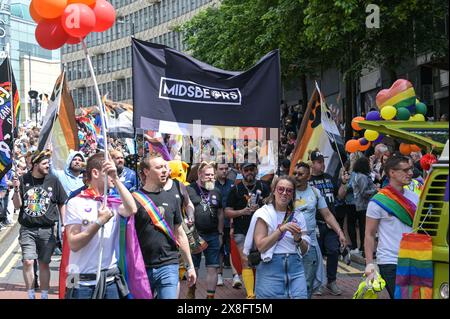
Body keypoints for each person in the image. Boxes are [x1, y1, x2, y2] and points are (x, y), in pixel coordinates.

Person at [64, 152, 137, 299]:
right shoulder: (75, 202)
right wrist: (98, 223)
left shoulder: (113, 202)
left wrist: (116, 178)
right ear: (95, 173)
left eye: (114, 172)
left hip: (110, 281)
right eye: (109, 172)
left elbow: (132, 209)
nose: (113, 175)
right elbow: (74, 244)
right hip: (81, 283)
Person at [133, 153, 196, 299]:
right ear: (146, 171)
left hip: (168, 264)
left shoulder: (172, 198)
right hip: (141, 267)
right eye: (159, 167)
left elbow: (179, 233)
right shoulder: (134, 199)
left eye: (165, 167)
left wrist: (190, 266)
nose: (165, 171)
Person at [12, 150, 68, 299]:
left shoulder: (53, 180)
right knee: (28, 261)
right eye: (44, 164)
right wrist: (17, 188)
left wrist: (64, 224)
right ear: (35, 165)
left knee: (44, 264)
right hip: (27, 229)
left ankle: (43, 295)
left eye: (48, 163)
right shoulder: (24, 180)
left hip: (47, 230)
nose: (47, 166)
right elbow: (17, 206)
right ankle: (31, 294)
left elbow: (62, 202)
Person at [244, 176, 310, 299]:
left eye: (289, 190)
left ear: (292, 195)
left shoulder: (298, 215)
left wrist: (298, 239)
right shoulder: (264, 214)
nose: (284, 193)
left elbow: (305, 251)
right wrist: (281, 229)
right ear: (274, 191)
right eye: (281, 189)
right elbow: (261, 246)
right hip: (270, 270)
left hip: (296, 269)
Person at [364, 155, 419, 298]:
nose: (410, 173)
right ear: (392, 173)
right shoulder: (378, 202)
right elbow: (369, 234)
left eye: (410, 169)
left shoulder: (416, 197)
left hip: (414, 259)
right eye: (405, 170)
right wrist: (370, 264)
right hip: (390, 261)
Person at [294, 162, 346, 298]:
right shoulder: (287, 191)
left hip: (310, 242)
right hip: (289, 243)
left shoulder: (315, 193)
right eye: (295, 173)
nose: (296, 177)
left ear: (308, 176)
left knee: (308, 283)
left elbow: (327, 215)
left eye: (300, 174)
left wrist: (339, 232)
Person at [225, 162, 270, 299]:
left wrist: (262, 207)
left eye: (252, 169)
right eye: (246, 170)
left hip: (261, 230)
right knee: (245, 260)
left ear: (256, 170)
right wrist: (242, 211)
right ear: (241, 171)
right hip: (241, 231)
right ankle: (250, 294)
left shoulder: (263, 186)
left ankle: (261, 289)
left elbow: (272, 204)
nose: (249, 172)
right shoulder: (236, 189)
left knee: (262, 260)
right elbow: (227, 212)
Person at [186, 162, 224, 299]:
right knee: (193, 267)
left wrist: (220, 233)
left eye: (212, 175)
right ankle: (191, 291)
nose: (210, 177)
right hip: (195, 234)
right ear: (199, 175)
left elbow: (220, 213)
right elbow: (183, 209)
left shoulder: (217, 191)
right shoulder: (189, 190)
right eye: (207, 175)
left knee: (212, 267)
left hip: (213, 234)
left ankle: (210, 297)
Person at [308, 150, 344, 296]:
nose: (322, 164)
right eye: (319, 162)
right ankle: (318, 282)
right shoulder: (308, 181)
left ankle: (331, 281)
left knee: (333, 250)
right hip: (315, 224)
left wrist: (345, 183)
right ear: (312, 164)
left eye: (323, 161)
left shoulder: (329, 178)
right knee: (317, 255)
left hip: (331, 223)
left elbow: (339, 195)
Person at [215, 162, 242, 289]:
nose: (224, 171)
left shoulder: (232, 184)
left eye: (226, 169)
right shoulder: (211, 185)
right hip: (216, 223)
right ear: (216, 170)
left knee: (232, 249)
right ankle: (219, 275)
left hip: (231, 222)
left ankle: (235, 276)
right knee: (219, 249)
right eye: (221, 169)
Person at [350, 157, 378, 256]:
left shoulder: (357, 175)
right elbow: (364, 192)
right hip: (363, 205)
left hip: (360, 205)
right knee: (365, 228)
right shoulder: (362, 177)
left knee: (363, 228)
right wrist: (375, 190)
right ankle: (365, 249)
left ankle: (363, 248)